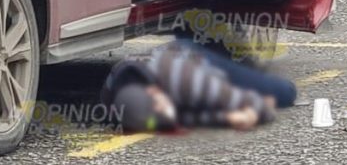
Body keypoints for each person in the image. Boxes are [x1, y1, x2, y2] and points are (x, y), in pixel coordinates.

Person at [100, 40, 293, 133]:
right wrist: (225, 117)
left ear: (153, 91)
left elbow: (251, 103)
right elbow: (181, 118)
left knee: (285, 94)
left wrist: (259, 110)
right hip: (165, 71)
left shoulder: (181, 77)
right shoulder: (120, 107)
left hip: (190, 59)